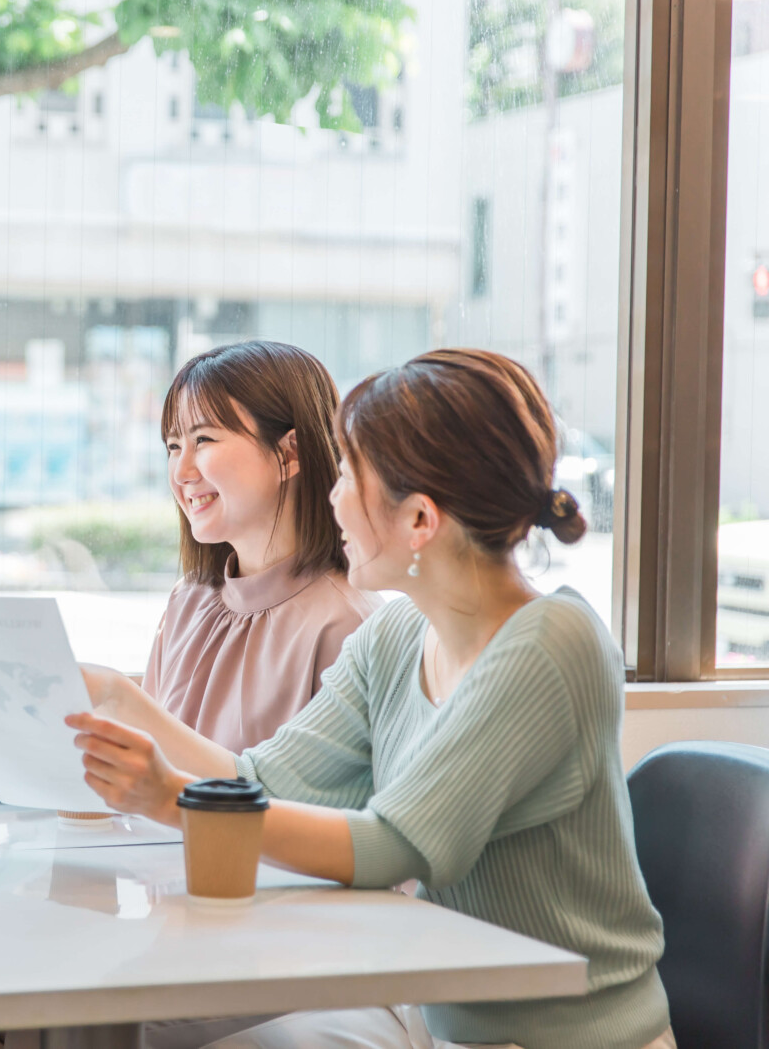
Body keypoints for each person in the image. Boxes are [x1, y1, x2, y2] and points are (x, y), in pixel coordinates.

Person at [69, 349, 674, 1049]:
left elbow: (394, 843)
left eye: (350, 476)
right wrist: (116, 698)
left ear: (419, 519)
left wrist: (172, 796)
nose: (331, 497)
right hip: (439, 1013)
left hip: (562, 1034)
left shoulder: (550, 644)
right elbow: (262, 780)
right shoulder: (396, 633)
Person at [145, 341, 379, 751]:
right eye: (173, 446)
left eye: (203, 440)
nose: (181, 472)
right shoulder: (187, 602)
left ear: (290, 452)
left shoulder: (346, 624)